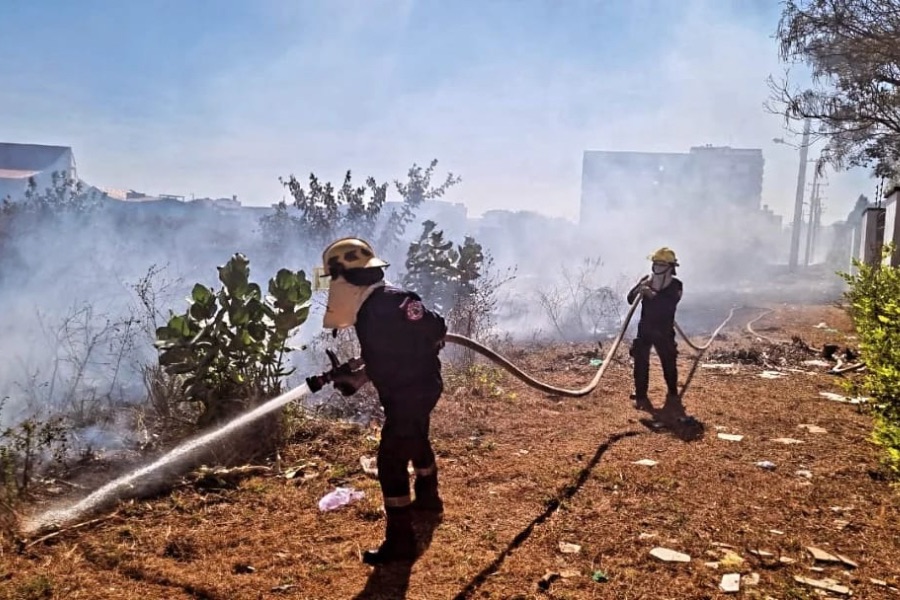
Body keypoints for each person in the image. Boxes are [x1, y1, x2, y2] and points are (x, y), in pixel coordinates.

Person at [317, 237, 447, 565]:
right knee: (415, 437)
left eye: (336, 279)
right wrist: (358, 375)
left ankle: (401, 541)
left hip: (412, 391)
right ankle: (429, 499)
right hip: (412, 389)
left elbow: (436, 326)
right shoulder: (372, 308)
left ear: (350, 279)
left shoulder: (392, 304)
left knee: (391, 460)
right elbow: (387, 356)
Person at [627, 247, 683, 410]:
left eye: (661, 264)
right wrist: (639, 288)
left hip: (664, 331)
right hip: (645, 329)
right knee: (640, 362)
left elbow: (667, 306)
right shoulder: (647, 280)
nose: (657, 267)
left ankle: (672, 393)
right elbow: (630, 299)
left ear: (670, 267)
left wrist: (651, 293)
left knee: (668, 362)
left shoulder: (676, 286)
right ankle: (641, 395)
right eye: (655, 263)